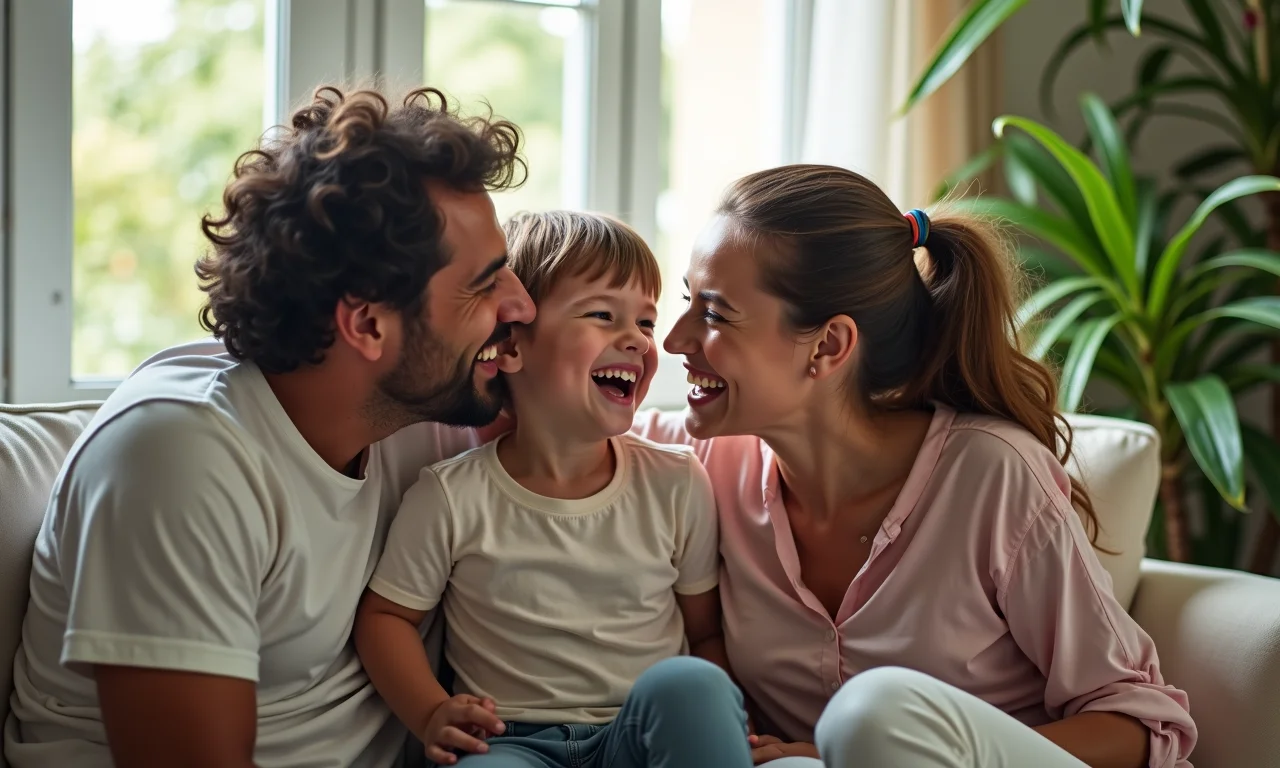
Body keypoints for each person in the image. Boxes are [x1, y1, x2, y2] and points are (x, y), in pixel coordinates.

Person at [4, 86, 535, 768]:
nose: (521, 303)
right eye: (485, 284)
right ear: (368, 324)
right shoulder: (179, 457)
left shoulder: (413, 406)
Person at [629, 165, 1197, 767]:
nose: (674, 340)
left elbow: (1139, 723)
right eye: (689, 301)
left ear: (828, 346)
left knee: (875, 712)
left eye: (715, 315)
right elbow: (542, 434)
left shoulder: (992, 475)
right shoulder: (699, 464)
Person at [353, 211, 752, 768]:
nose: (637, 341)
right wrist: (429, 712)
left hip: (634, 736)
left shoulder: (677, 482)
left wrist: (717, 722)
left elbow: (705, 634)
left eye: (643, 321)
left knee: (691, 683)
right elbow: (384, 619)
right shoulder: (450, 496)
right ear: (512, 347)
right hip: (511, 741)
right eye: (602, 315)